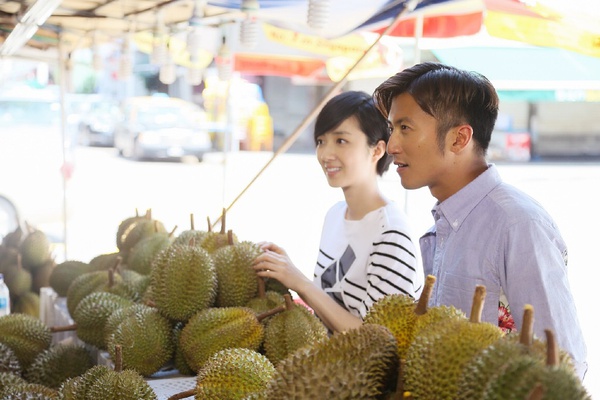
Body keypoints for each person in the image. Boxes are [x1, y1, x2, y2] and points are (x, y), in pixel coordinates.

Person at [372, 61, 587, 379]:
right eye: (391, 128)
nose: (391, 146)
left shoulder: (517, 225)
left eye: (405, 128)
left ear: (459, 139)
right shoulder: (444, 225)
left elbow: (562, 366)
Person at [252, 90, 424, 334]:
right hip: (329, 364)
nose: (325, 154)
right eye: (321, 141)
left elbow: (377, 340)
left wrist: (300, 282)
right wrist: (285, 269)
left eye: (341, 141)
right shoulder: (335, 215)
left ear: (377, 150)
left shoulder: (391, 233)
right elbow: (329, 307)